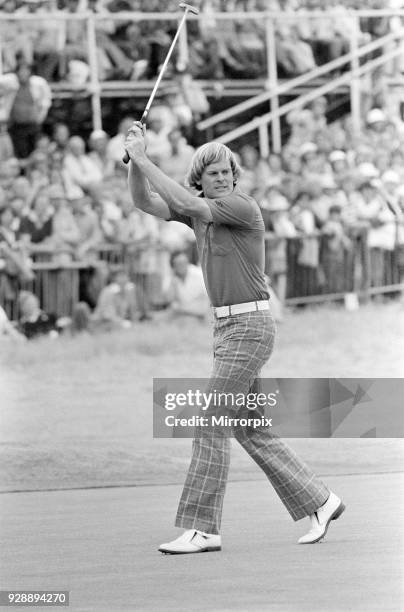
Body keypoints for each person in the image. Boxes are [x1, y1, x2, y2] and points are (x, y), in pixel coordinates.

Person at [125, 123, 345, 554]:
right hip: (226, 330)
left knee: (209, 420)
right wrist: (135, 160)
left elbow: (186, 200)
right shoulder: (198, 213)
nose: (223, 178)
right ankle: (321, 500)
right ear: (201, 179)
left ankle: (203, 528)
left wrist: (146, 157)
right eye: (214, 174)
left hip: (250, 326)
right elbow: (143, 200)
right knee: (249, 428)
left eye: (227, 171)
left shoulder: (241, 206)